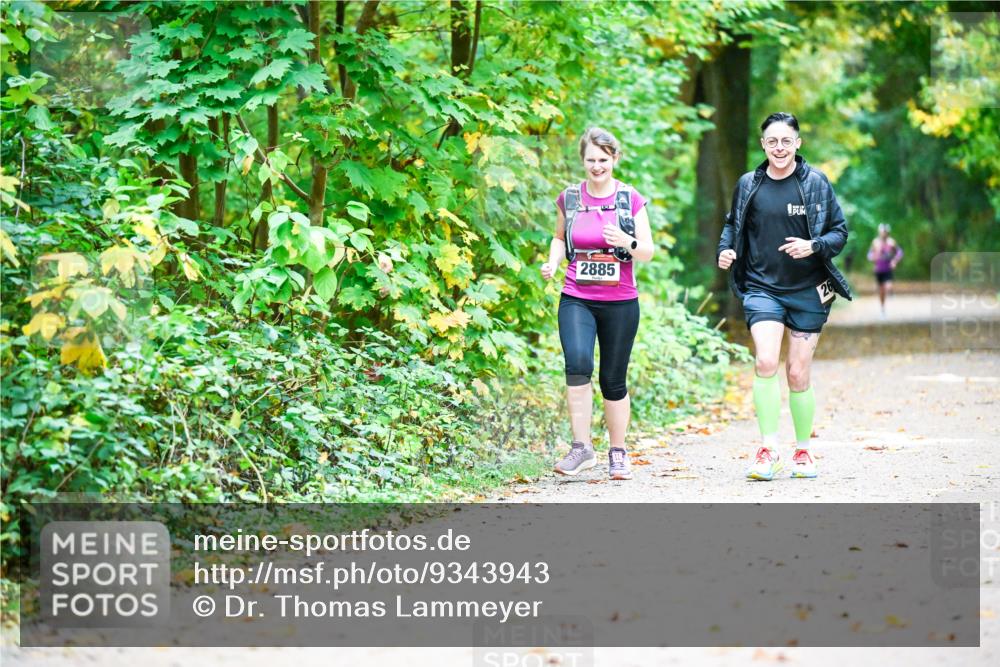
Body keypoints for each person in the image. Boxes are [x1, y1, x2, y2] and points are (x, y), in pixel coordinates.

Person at [717, 112, 852, 481]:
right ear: (763, 145)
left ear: (798, 143)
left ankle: (804, 451)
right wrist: (725, 250)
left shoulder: (816, 184)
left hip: (808, 291)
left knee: (797, 372)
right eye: (772, 141)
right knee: (764, 362)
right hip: (762, 288)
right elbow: (733, 224)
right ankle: (768, 449)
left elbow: (840, 232)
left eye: (786, 141)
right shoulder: (749, 184)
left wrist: (814, 246)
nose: (779, 147)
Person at [540, 127, 654, 480]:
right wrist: (553, 262)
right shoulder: (570, 198)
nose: (597, 166)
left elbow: (647, 252)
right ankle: (581, 448)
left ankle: (618, 452)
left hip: (620, 300)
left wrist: (626, 240)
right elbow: (559, 238)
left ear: (615, 159)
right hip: (577, 295)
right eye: (591, 160)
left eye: (603, 160)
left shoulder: (629, 199)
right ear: (583, 161)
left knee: (613, 379)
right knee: (576, 364)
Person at [867, 223, 903, 317]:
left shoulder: (892, 242)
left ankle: (890, 291)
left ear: (888, 233)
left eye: (885, 232)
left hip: (888, 269)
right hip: (878, 269)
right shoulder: (875, 242)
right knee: (881, 291)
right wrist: (872, 258)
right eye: (882, 232)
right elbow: (869, 254)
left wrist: (894, 261)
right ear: (879, 232)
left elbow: (899, 252)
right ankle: (882, 309)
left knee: (888, 286)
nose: (884, 234)